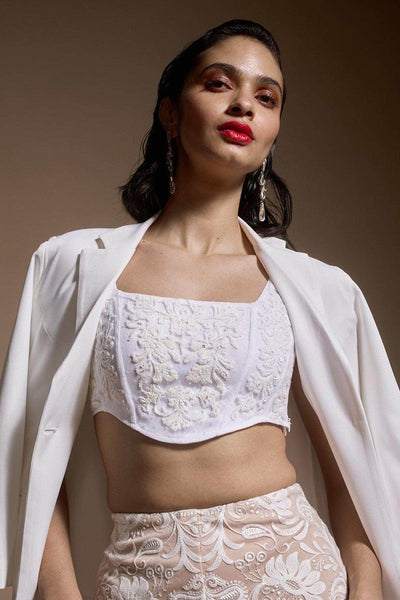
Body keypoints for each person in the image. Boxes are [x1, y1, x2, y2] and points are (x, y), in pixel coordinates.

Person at [1, 18, 399, 600]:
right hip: (140, 578)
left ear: (272, 132)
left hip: (295, 576)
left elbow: (360, 470)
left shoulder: (317, 289)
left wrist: (364, 591)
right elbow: (25, 453)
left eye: (266, 97)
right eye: (219, 84)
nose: (244, 105)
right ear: (170, 112)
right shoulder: (73, 266)